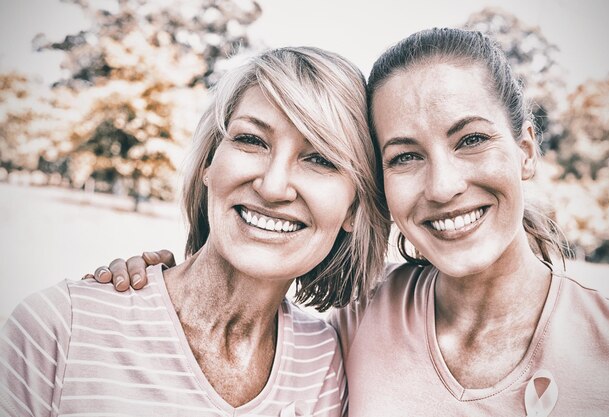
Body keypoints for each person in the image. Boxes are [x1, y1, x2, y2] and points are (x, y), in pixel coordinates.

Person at [49, 29, 609, 416]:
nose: (444, 185)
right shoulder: (350, 329)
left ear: (525, 150)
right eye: (405, 156)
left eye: (471, 139)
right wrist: (138, 288)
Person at [0, 46, 390, 417]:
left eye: (319, 159)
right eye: (251, 140)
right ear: (209, 164)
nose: (272, 187)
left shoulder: (326, 363)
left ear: (353, 209)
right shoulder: (61, 328)